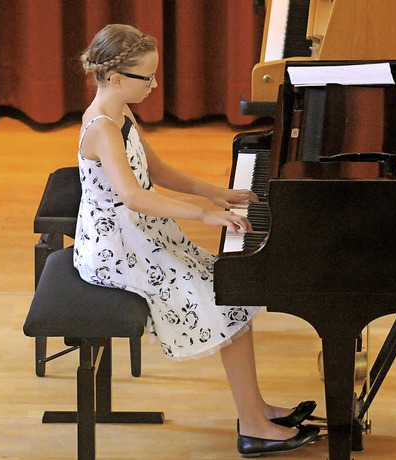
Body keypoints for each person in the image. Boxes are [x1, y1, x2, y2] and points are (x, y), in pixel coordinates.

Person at [74, 24, 320, 457]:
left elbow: (157, 170)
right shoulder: (101, 127)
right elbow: (134, 196)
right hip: (117, 250)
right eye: (146, 78)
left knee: (231, 289)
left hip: (139, 235)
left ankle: (256, 409)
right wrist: (205, 215)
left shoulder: (121, 111)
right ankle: (254, 425)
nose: (154, 85)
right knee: (227, 299)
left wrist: (212, 192)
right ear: (115, 79)